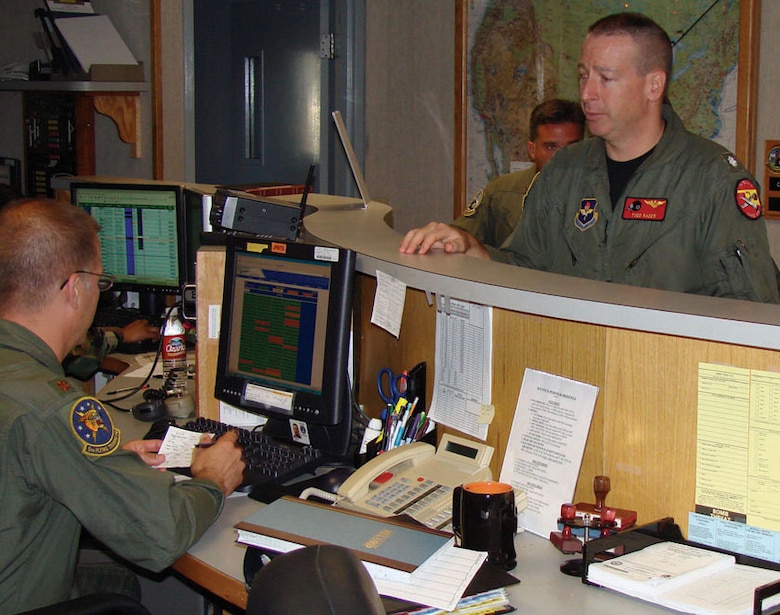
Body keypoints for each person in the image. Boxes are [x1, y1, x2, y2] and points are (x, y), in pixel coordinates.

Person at [400, 13, 779, 303]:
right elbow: (526, 270)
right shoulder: (565, 170)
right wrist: (474, 250)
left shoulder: (711, 179)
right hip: (571, 380)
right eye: (583, 76)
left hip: (667, 383)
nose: (587, 94)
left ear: (654, 85)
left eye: (605, 78)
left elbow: (749, 310)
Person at [0, 198, 246, 612]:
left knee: (115, 582)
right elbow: (159, 534)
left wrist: (98, 462)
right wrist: (211, 482)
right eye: (101, 282)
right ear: (75, 288)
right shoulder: (51, 407)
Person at [451, 98, 584, 247]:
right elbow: (461, 236)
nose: (562, 157)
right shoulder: (501, 193)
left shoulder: (599, 193)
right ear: (532, 149)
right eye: (551, 147)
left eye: (572, 147)